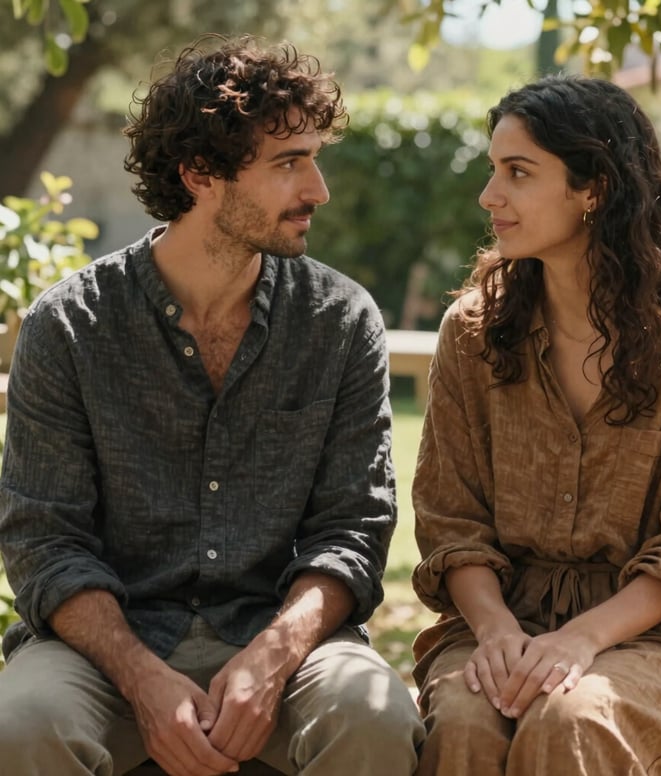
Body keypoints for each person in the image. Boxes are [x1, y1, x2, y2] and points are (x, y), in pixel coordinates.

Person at [0, 34, 424, 776]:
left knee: (375, 719)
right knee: (22, 725)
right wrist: (140, 675)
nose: (318, 189)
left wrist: (274, 654)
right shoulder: (68, 326)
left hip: (284, 645)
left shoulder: (341, 320)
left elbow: (353, 527)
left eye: (313, 158)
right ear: (200, 174)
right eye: (289, 162)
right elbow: (44, 541)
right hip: (106, 650)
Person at [410, 73, 661, 776]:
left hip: (660, 642)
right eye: (492, 170)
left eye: (518, 172)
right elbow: (451, 522)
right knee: (470, 726)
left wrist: (578, 641)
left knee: (568, 721)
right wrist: (498, 631)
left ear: (593, 188)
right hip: (495, 625)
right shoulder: (471, 334)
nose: (489, 196)